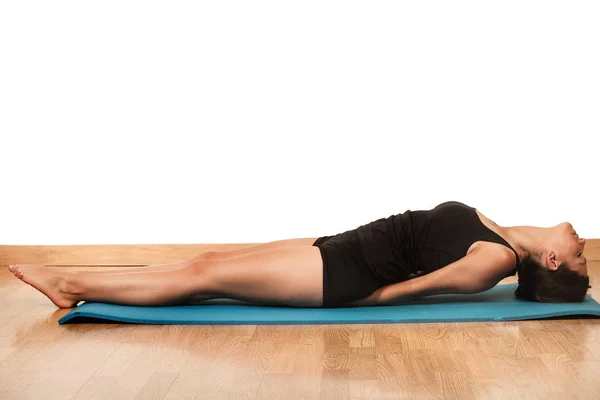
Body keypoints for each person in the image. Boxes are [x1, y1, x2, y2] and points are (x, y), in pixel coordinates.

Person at [8, 201, 590, 309]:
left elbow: (410, 289)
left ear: (554, 264)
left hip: (341, 273)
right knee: (208, 261)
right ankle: (87, 280)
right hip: (338, 246)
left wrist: (351, 298)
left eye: (580, 258)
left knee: (203, 274)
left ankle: (71, 284)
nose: (584, 244)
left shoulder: (494, 260)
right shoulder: (498, 230)